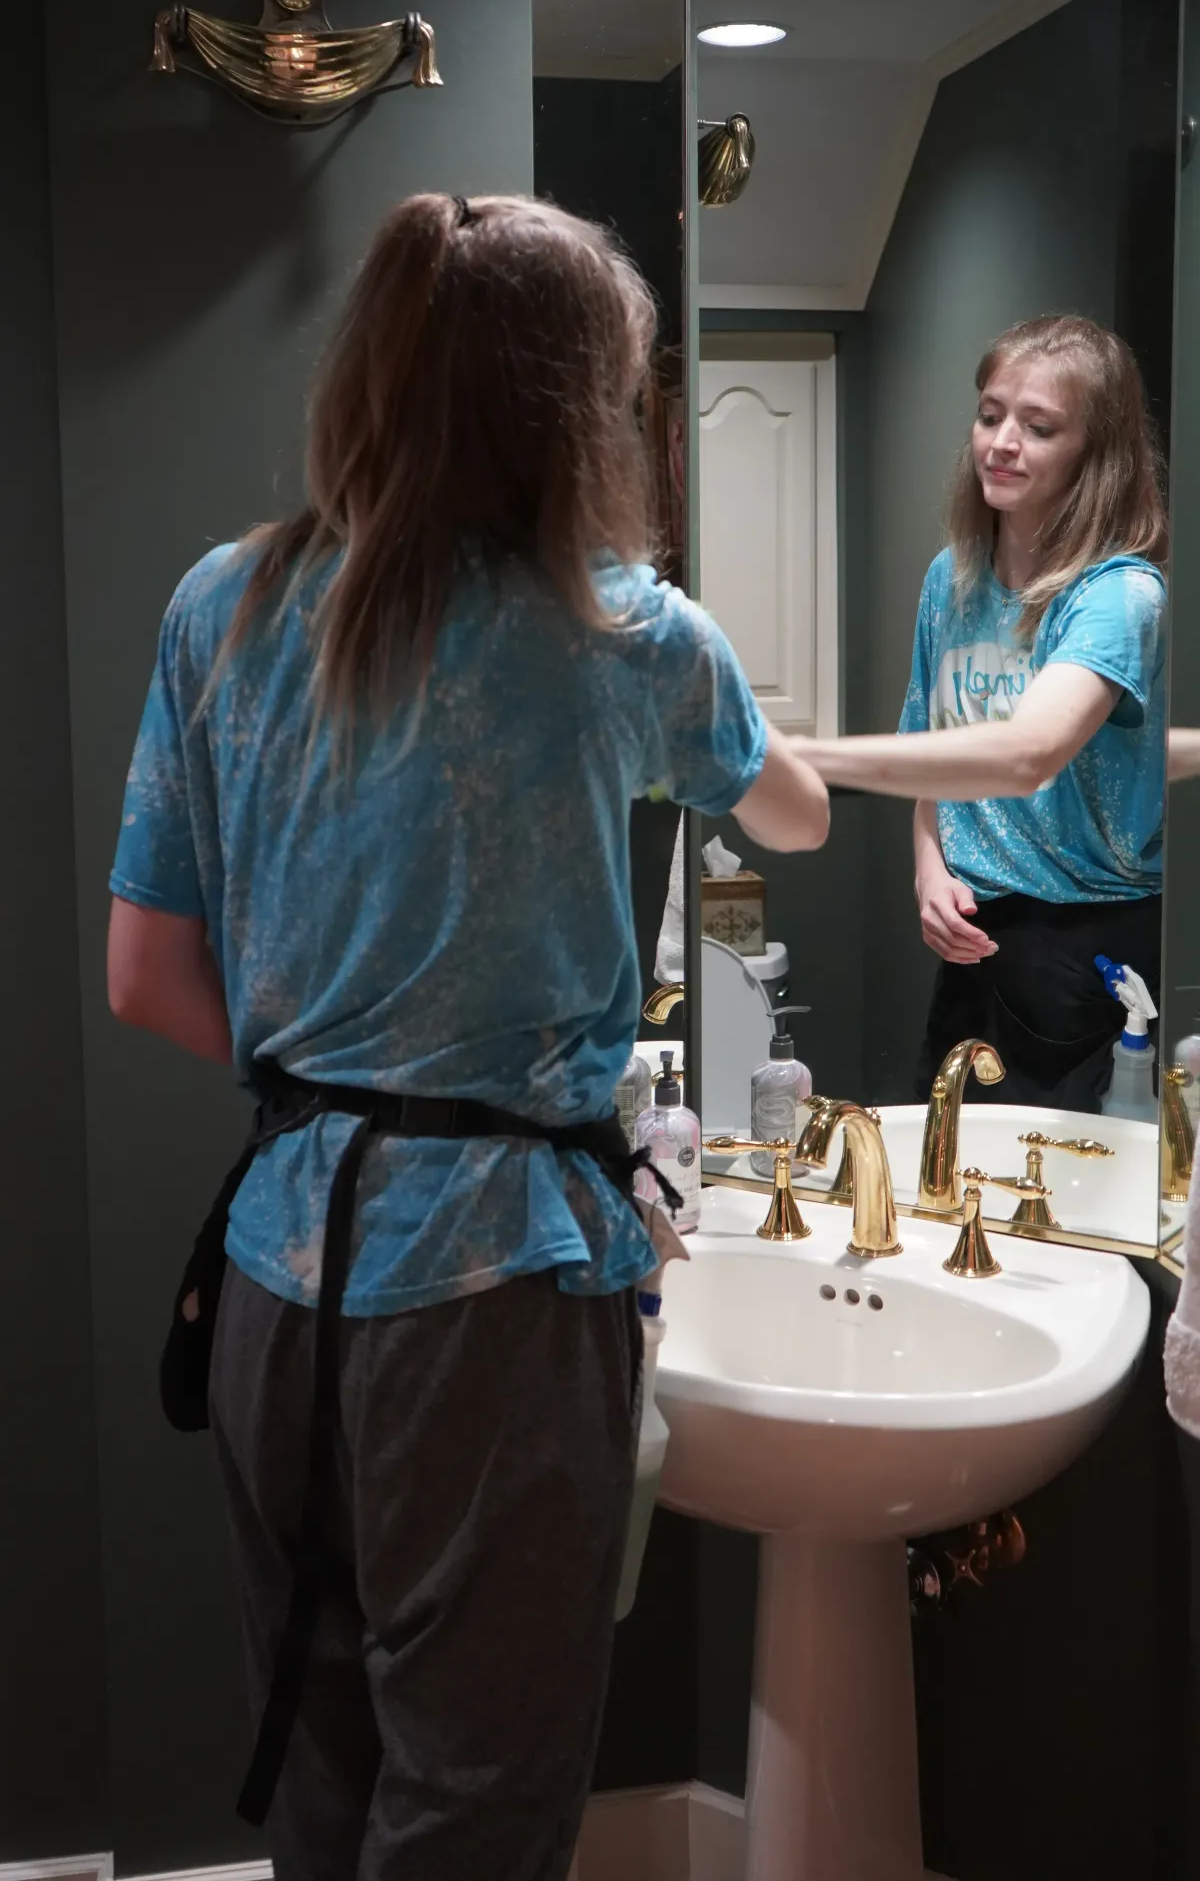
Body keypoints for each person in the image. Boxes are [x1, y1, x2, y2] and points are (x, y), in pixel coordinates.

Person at [106, 192, 828, 1881]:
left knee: (321, 1746)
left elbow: (144, 974)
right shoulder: (631, 629)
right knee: (479, 1798)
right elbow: (788, 815)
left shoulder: (220, 604)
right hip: (497, 1302)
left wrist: (341, 1081)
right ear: (586, 403)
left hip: (280, 1280)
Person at [800, 314, 1167, 1111]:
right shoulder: (951, 579)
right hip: (974, 932)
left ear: (1093, 455)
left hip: (1086, 942)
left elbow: (1026, 752)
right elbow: (935, 749)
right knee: (952, 1177)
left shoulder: (1116, 596)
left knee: (1058, 1201)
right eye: (991, 414)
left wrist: (790, 754)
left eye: (1039, 427)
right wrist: (929, 870)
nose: (1002, 442)